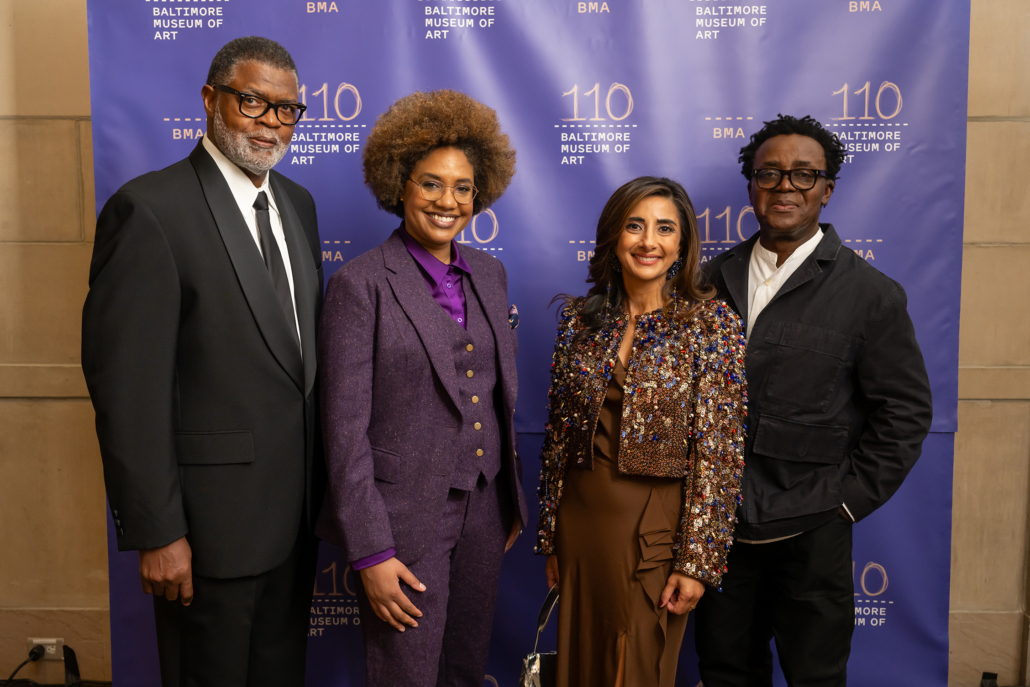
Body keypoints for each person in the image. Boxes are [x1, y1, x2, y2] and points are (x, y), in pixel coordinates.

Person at [81, 37, 323, 687]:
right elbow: (127, 390)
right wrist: (159, 532)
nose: (272, 122)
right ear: (211, 101)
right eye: (253, 103)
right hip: (207, 536)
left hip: (294, 529)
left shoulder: (298, 205)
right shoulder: (151, 210)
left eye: (288, 109)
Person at [695, 115, 934, 686]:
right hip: (718, 528)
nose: (785, 187)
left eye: (804, 175)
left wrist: (845, 503)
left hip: (813, 528)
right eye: (770, 173)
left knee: (815, 677)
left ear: (827, 190)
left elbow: (904, 413)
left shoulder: (871, 295)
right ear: (751, 186)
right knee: (725, 672)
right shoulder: (705, 282)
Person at [315, 89, 525, 687]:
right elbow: (344, 431)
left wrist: (506, 493)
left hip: (486, 508)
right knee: (405, 675)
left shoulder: (489, 272)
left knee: (465, 668)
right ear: (399, 184)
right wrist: (372, 552)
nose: (447, 201)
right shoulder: (361, 285)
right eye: (430, 183)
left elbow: (494, 390)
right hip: (403, 519)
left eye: (462, 187)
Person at [536, 176, 748, 687]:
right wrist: (550, 537)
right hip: (581, 526)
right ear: (614, 235)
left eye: (664, 228)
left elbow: (721, 453)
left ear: (682, 243)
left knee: (636, 669)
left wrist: (698, 561)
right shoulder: (580, 321)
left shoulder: (711, 324)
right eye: (635, 225)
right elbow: (557, 438)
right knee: (582, 666)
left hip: (655, 533)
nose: (648, 241)